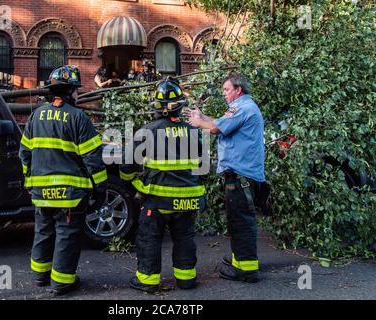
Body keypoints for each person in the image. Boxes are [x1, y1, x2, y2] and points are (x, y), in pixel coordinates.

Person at [19, 65, 107, 295]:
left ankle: (40, 276)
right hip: (69, 193)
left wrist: (29, 181)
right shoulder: (78, 117)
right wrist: (100, 188)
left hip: (40, 192)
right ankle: (62, 282)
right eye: (76, 90)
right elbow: (93, 158)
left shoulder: (36, 115)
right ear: (70, 92)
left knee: (43, 231)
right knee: (66, 236)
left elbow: (24, 153)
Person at [119, 77, 205, 293]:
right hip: (187, 199)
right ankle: (187, 280)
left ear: (156, 106)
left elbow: (127, 165)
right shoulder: (194, 131)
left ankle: (147, 281)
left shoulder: (148, 130)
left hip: (157, 200)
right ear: (180, 106)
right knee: (184, 237)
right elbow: (204, 166)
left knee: (150, 239)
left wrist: (136, 184)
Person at [184, 73, 265, 283]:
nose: (224, 94)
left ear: (238, 90)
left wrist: (197, 123)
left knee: (241, 222)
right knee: (237, 220)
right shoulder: (243, 108)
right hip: (241, 175)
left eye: (226, 90)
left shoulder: (242, 108)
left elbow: (216, 128)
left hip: (241, 177)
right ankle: (240, 260)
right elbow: (220, 123)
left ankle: (247, 270)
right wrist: (202, 117)